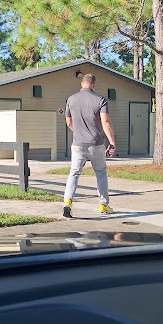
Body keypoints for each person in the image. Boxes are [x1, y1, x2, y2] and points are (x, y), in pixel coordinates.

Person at [63, 73, 116, 217]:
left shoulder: (71, 99)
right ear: (93, 85)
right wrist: (111, 142)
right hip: (96, 143)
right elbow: (105, 122)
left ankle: (67, 201)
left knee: (74, 173)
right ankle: (103, 205)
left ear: (82, 84)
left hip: (78, 144)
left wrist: (79, 132)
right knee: (101, 173)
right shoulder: (100, 100)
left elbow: (68, 122)